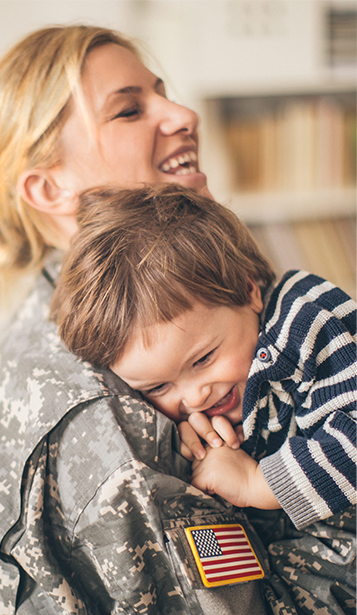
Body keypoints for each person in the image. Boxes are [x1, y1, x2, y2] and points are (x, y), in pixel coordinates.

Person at [0, 25, 269, 615]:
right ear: (49, 187)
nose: (183, 114)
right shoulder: (109, 418)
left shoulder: (62, 300)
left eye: (162, 92)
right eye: (129, 111)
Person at [51, 183, 357, 614]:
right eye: (158, 387)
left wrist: (256, 483)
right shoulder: (201, 404)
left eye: (204, 358)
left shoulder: (306, 319)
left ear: (248, 289)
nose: (194, 396)